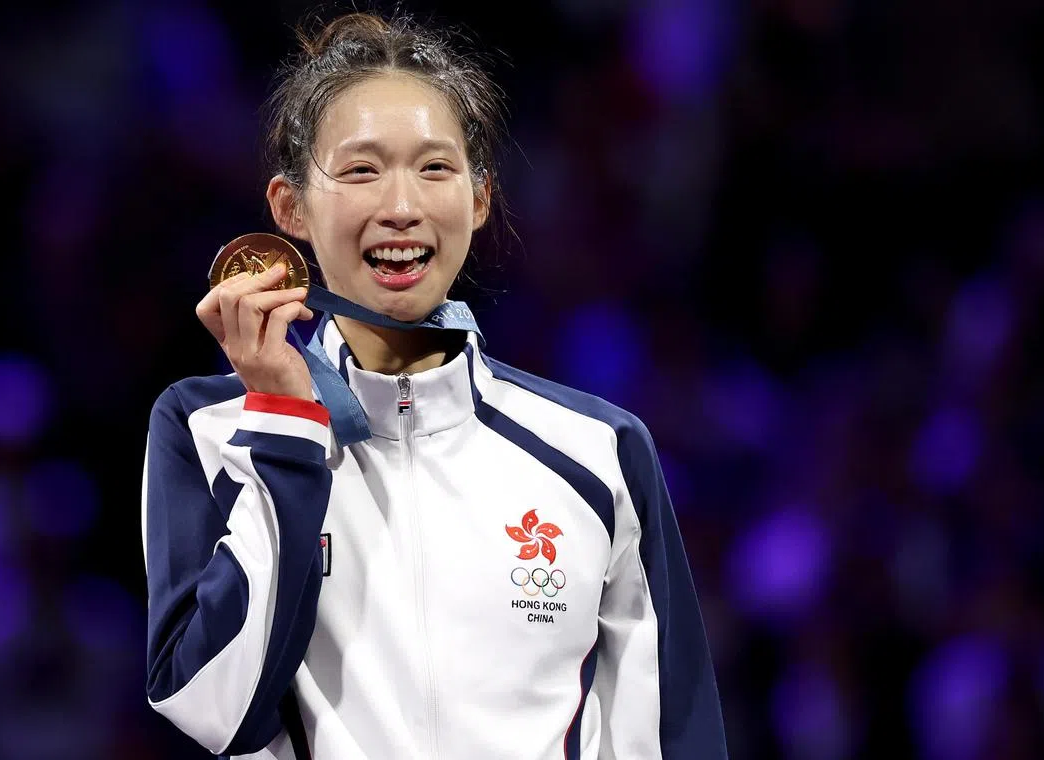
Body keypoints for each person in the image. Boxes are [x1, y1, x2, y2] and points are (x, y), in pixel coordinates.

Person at [141, 10, 727, 760]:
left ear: (479, 199)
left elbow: (670, 735)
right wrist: (285, 421)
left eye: (435, 167)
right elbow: (214, 705)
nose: (402, 206)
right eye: (360, 169)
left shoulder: (598, 452)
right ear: (290, 208)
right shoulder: (208, 430)